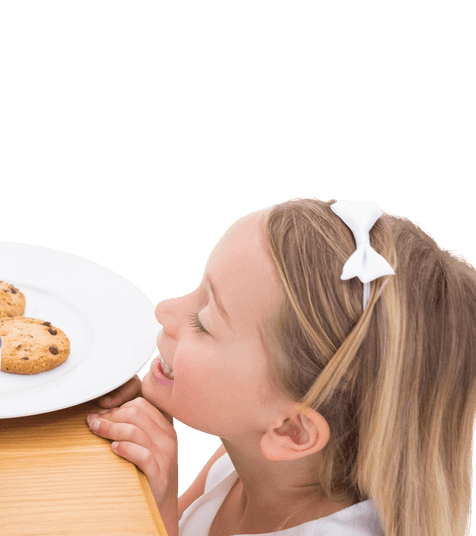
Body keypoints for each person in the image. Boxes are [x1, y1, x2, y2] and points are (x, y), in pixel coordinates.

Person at [89, 197, 476, 535]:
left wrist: (156, 505)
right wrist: (143, 446)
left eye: (204, 322)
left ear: (292, 430)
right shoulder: (246, 464)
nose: (166, 310)